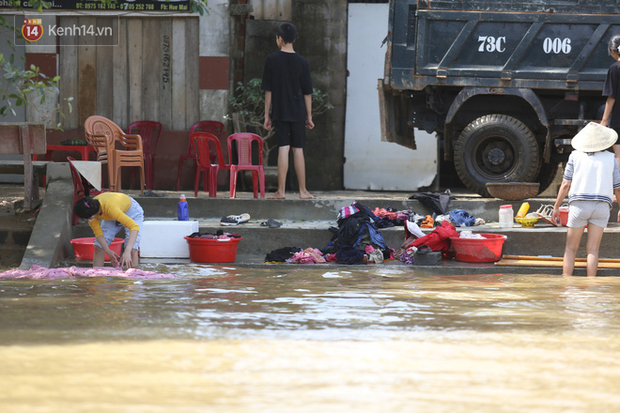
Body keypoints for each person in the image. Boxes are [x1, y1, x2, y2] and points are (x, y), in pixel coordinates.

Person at [551, 122, 620, 277]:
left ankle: (567, 283)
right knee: (593, 250)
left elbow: (565, 184)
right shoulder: (611, 158)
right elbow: (617, 188)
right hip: (601, 206)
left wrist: (556, 206)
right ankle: (591, 285)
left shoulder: (575, 156)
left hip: (579, 206)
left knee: (570, 249)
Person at [262, 22, 315, 200]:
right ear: (294, 39)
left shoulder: (271, 60)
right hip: (298, 111)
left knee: (283, 148)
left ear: (280, 38)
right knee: (298, 149)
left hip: (280, 111)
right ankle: (303, 191)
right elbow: (307, 93)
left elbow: (268, 91)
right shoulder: (303, 62)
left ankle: (281, 191)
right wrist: (309, 116)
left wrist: (267, 115)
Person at [73, 192, 144, 269]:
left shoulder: (109, 209)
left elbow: (134, 227)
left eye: (87, 218)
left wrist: (127, 250)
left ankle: (134, 276)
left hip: (131, 211)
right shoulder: (90, 208)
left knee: (132, 249)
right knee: (99, 246)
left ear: (92, 216)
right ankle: (97, 276)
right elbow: (98, 233)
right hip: (111, 215)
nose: (88, 220)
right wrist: (108, 251)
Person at [601, 34, 620, 165]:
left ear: (612, 50)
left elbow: (611, 97)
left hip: (618, 119)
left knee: (618, 155)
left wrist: (604, 120)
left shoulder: (614, 69)